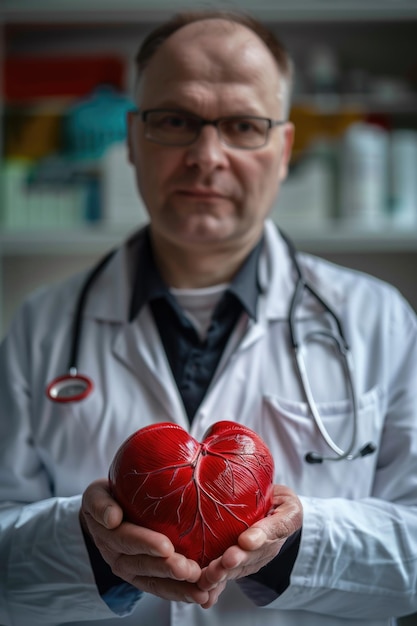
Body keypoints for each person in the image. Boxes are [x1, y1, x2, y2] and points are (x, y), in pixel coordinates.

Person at [0, 9, 416, 626]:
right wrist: (86, 545)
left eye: (244, 125)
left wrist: (295, 548)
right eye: (175, 121)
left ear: (283, 148)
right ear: (132, 138)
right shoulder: (39, 327)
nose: (207, 155)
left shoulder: (379, 320)